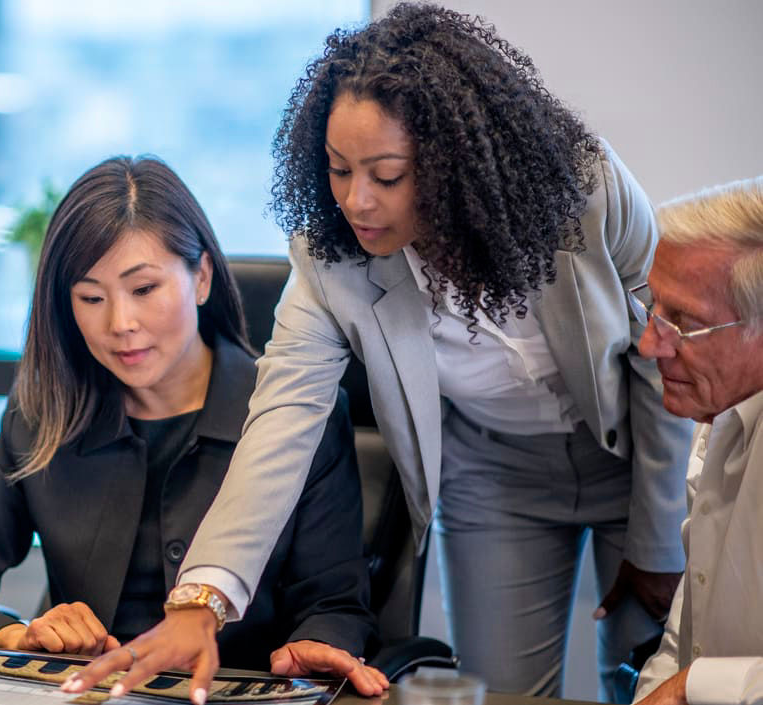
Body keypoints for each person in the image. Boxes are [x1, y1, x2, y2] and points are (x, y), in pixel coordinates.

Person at [69, 4, 693, 700]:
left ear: (455, 163)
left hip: (638, 450)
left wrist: (661, 536)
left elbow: (665, 350)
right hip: (493, 474)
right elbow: (282, 417)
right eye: (338, 170)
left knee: (647, 678)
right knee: (507, 693)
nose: (356, 201)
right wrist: (203, 597)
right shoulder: (330, 258)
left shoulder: (582, 190)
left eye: (387, 175)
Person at [0, 156, 387, 698]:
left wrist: (316, 645)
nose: (119, 324)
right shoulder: (44, 416)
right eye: (91, 298)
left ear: (201, 277)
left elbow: (334, 603)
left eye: (144, 289)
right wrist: (18, 636)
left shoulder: (292, 413)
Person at [630, 176, 763, 705]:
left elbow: (694, 677)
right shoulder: (721, 415)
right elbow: (689, 630)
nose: (648, 346)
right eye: (653, 309)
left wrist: (696, 686)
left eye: (682, 322)